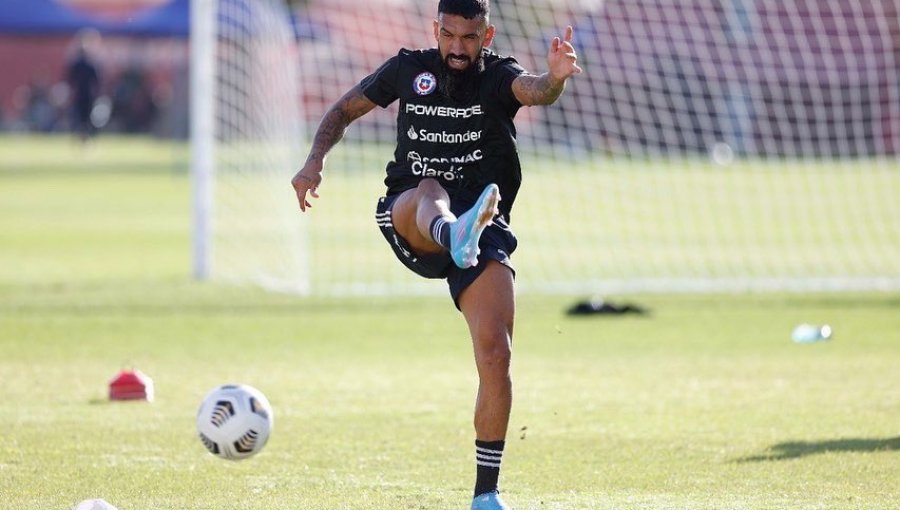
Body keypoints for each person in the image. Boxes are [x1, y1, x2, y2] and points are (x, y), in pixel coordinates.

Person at [290, 1, 581, 508]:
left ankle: (485, 497)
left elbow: (534, 90)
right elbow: (342, 111)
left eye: (469, 38)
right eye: (448, 36)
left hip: (483, 221)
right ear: (436, 30)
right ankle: (454, 234)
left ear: (486, 36)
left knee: (497, 353)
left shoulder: (498, 77)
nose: (457, 47)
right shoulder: (409, 69)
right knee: (429, 187)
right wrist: (313, 164)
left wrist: (554, 77)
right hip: (413, 214)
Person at [66, 30, 102, 142]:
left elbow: (70, 79)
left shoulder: (77, 64)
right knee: (85, 117)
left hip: (80, 94)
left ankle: (81, 135)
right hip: (86, 94)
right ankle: (84, 136)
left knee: (81, 117)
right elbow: (96, 80)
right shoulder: (89, 64)